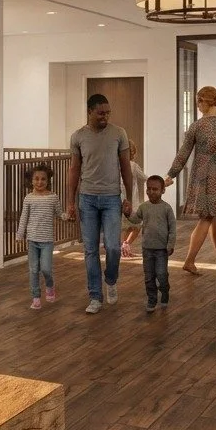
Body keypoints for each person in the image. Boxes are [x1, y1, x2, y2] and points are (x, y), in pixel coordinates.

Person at [164, 86, 216, 275]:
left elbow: (183, 154)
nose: (197, 106)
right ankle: (198, 261)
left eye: (198, 102)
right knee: (212, 218)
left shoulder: (197, 126)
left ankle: (203, 261)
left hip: (202, 178)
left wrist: (171, 175)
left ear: (203, 101)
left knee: (210, 218)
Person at [65, 94, 132, 314]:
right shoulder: (78, 137)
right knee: (90, 250)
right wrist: (70, 202)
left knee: (113, 247)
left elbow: (126, 168)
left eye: (108, 112)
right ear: (90, 111)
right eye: (101, 113)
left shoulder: (118, 134)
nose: (105, 116)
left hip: (112, 198)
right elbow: (74, 170)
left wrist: (128, 197)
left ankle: (110, 279)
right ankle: (95, 296)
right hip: (87, 199)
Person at [14, 163, 64, 310]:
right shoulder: (28, 198)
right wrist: (19, 235)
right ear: (31, 180)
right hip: (32, 240)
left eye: (43, 179)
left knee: (46, 269)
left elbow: (59, 213)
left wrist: (67, 216)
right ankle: (36, 297)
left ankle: (50, 286)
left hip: (47, 240)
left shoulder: (53, 197)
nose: (39, 182)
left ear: (48, 180)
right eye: (36, 179)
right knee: (33, 269)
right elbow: (24, 218)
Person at [129, 175, 176, 313]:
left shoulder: (167, 209)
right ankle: (152, 299)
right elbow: (136, 219)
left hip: (162, 249)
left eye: (155, 189)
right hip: (147, 248)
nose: (151, 192)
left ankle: (165, 290)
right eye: (148, 189)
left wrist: (170, 244)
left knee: (161, 274)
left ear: (162, 191)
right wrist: (127, 212)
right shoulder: (144, 207)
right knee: (149, 276)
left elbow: (172, 228)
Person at [119, 141, 148, 259]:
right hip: (131, 201)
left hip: (119, 199)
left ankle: (124, 250)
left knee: (127, 226)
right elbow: (145, 178)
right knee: (137, 225)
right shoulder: (133, 166)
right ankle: (126, 245)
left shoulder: (116, 165)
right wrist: (162, 182)